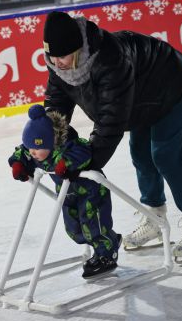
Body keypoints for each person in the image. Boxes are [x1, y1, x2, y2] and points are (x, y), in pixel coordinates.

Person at [41, 11, 182, 259]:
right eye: (52, 56)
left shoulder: (110, 60)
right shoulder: (59, 64)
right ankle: (155, 218)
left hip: (168, 83)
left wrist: (86, 162)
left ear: (79, 49)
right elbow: (56, 104)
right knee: (141, 156)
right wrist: (47, 143)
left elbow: (111, 121)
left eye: (63, 57)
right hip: (138, 97)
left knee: (165, 156)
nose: (57, 63)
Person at [8, 104, 122, 279]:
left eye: (37, 148)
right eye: (30, 148)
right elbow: (21, 153)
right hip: (67, 194)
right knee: (74, 230)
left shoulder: (67, 146)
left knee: (94, 227)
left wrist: (66, 163)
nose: (33, 153)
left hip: (91, 192)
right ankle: (109, 240)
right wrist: (18, 164)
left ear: (50, 142)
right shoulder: (36, 150)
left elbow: (83, 150)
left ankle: (107, 254)